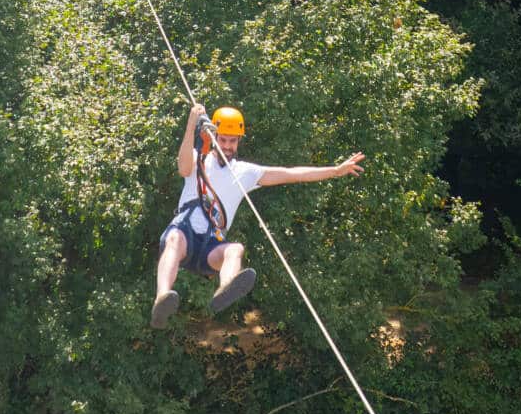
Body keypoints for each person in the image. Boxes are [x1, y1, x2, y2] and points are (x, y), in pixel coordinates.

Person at [151, 102, 366, 328]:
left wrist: (334, 171)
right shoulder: (199, 158)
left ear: (239, 141)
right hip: (184, 234)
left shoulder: (245, 172)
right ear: (214, 136)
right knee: (174, 239)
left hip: (209, 246)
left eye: (232, 141)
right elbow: (183, 168)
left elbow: (291, 174)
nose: (226, 145)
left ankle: (226, 288)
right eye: (222, 139)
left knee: (235, 249)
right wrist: (191, 125)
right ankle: (162, 298)